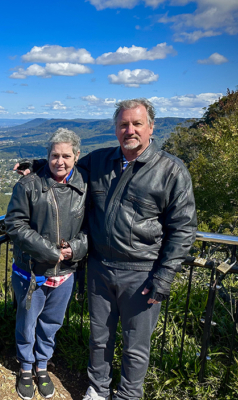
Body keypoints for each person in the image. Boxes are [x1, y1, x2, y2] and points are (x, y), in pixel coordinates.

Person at [15, 99, 197, 400]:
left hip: (142, 272)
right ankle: (97, 390)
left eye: (137, 123)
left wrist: (164, 278)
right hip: (100, 267)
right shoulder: (99, 161)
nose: (130, 130)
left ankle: (127, 395)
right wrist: (36, 165)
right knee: (99, 339)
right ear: (115, 129)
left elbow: (183, 229)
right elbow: (64, 163)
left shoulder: (171, 172)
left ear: (151, 127)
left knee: (136, 345)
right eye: (124, 124)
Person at [5, 128, 88, 400]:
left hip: (65, 273)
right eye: (54, 155)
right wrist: (51, 252)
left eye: (66, 155)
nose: (59, 161)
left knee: (52, 322)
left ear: (77, 156)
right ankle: (26, 368)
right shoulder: (28, 185)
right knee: (27, 322)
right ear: (47, 156)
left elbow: (91, 229)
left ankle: (43, 364)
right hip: (31, 271)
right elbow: (15, 225)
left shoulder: (84, 187)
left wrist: (74, 249)